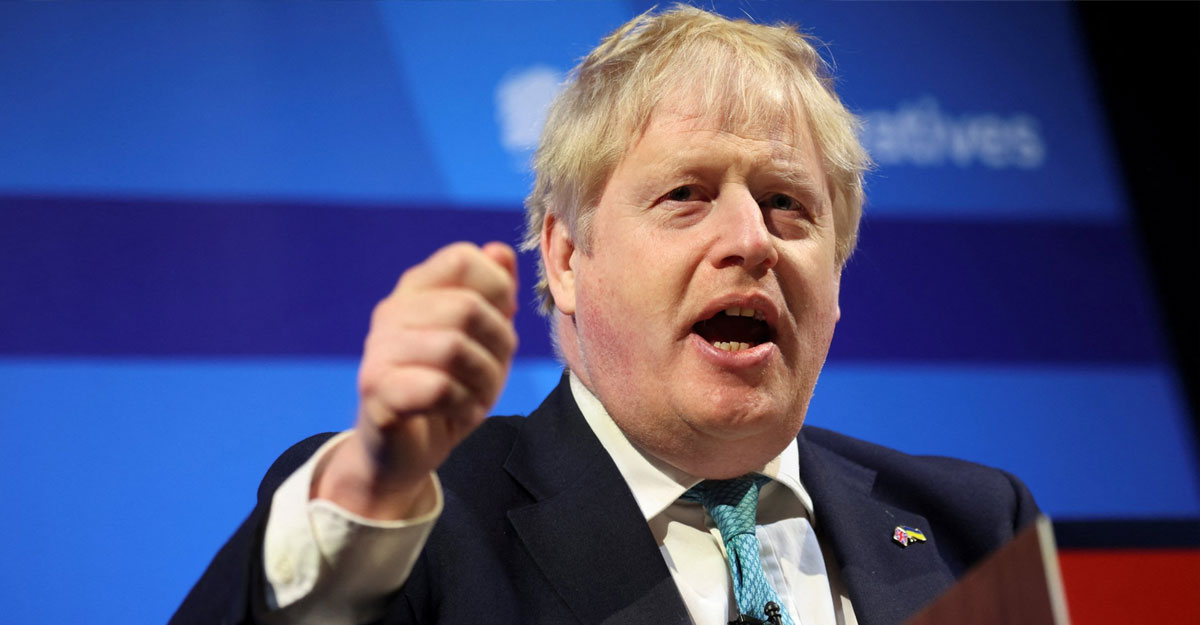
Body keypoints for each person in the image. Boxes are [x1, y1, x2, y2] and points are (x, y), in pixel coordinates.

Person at [172, 6, 1037, 625]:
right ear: (566, 257)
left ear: (838, 275)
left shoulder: (976, 525)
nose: (750, 239)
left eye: (787, 203)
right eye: (686, 193)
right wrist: (367, 491)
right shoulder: (414, 519)